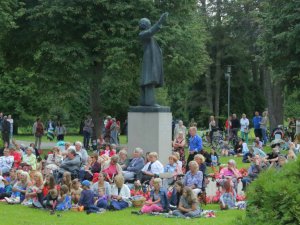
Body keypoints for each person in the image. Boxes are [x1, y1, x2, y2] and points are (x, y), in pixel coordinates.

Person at [139, 12, 168, 106]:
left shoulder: (148, 36)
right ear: (146, 25)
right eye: (149, 24)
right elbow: (151, 31)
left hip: (150, 60)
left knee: (147, 80)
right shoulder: (143, 34)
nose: (150, 25)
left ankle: (144, 102)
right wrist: (160, 22)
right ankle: (150, 103)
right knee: (148, 80)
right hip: (149, 61)